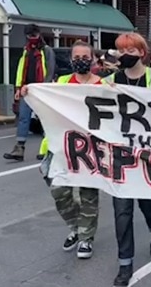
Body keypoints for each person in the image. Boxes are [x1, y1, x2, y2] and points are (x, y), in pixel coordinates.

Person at [101, 33, 151, 287]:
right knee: (122, 210)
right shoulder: (109, 81)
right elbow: (77, 94)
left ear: (142, 52)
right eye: (120, 50)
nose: (124, 54)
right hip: (119, 154)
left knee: (147, 204)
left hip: (147, 154)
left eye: (130, 49)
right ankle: (125, 264)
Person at [27, 41, 101, 259]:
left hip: (90, 149)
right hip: (61, 147)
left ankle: (86, 238)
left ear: (93, 58)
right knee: (59, 191)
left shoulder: (103, 86)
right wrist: (28, 91)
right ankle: (76, 228)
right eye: (76, 57)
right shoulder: (62, 83)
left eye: (85, 56)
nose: (80, 60)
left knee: (88, 194)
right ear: (70, 59)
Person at [4, 24, 55, 161]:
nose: (32, 38)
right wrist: (18, 88)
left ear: (39, 35)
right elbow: (21, 70)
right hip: (26, 89)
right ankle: (19, 148)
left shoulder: (46, 50)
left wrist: (45, 88)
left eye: (34, 35)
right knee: (23, 118)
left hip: (42, 89)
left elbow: (50, 71)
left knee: (45, 118)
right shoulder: (26, 51)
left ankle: (48, 148)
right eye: (29, 36)